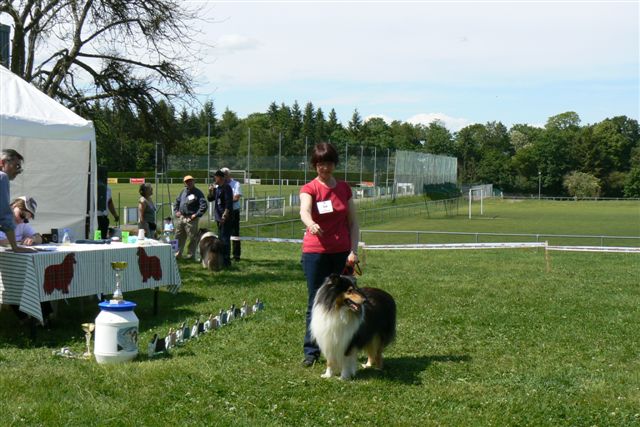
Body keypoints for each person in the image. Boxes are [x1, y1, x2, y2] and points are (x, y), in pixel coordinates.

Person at [299, 142, 360, 367]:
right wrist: (311, 223)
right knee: (316, 300)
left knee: (347, 300)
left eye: (328, 163)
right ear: (314, 165)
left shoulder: (344, 188)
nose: (324, 167)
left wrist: (353, 250)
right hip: (315, 253)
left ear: (335, 164)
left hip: (342, 253)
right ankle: (311, 350)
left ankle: (344, 346)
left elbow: (353, 223)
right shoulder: (310, 189)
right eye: (320, 164)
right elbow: (304, 210)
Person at [0, 149, 35, 253]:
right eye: (16, 166)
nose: (19, 171)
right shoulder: (2, 177)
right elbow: (4, 215)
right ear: (2, 162)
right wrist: (15, 247)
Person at [173, 175, 207, 259]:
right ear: (184, 183)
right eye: (187, 181)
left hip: (191, 219)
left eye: (190, 181)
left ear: (194, 181)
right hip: (181, 217)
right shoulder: (182, 191)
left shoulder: (198, 192)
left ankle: (191, 255)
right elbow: (177, 202)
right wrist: (176, 211)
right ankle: (177, 254)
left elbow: (204, 205)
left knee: (193, 238)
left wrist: (196, 214)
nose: (189, 183)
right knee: (178, 236)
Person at [207, 170, 233, 268]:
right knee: (221, 239)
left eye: (215, 177)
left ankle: (226, 261)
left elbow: (228, 203)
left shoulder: (227, 188)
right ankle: (220, 259)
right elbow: (210, 199)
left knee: (225, 239)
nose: (214, 179)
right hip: (218, 217)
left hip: (224, 218)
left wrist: (225, 216)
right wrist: (210, 191)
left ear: (220, 178)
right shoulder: (218, 188)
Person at [221, 167, 243, 261]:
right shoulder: (221, 185)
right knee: (223, 234)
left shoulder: (236, 184)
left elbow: (236, 197)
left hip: (234, 212)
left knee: (235, 233)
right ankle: (224, 254)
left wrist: (226, 201)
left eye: (224, 175)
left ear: (228, 175)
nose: (223, 177)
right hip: (223, 212)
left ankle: (236, 255)